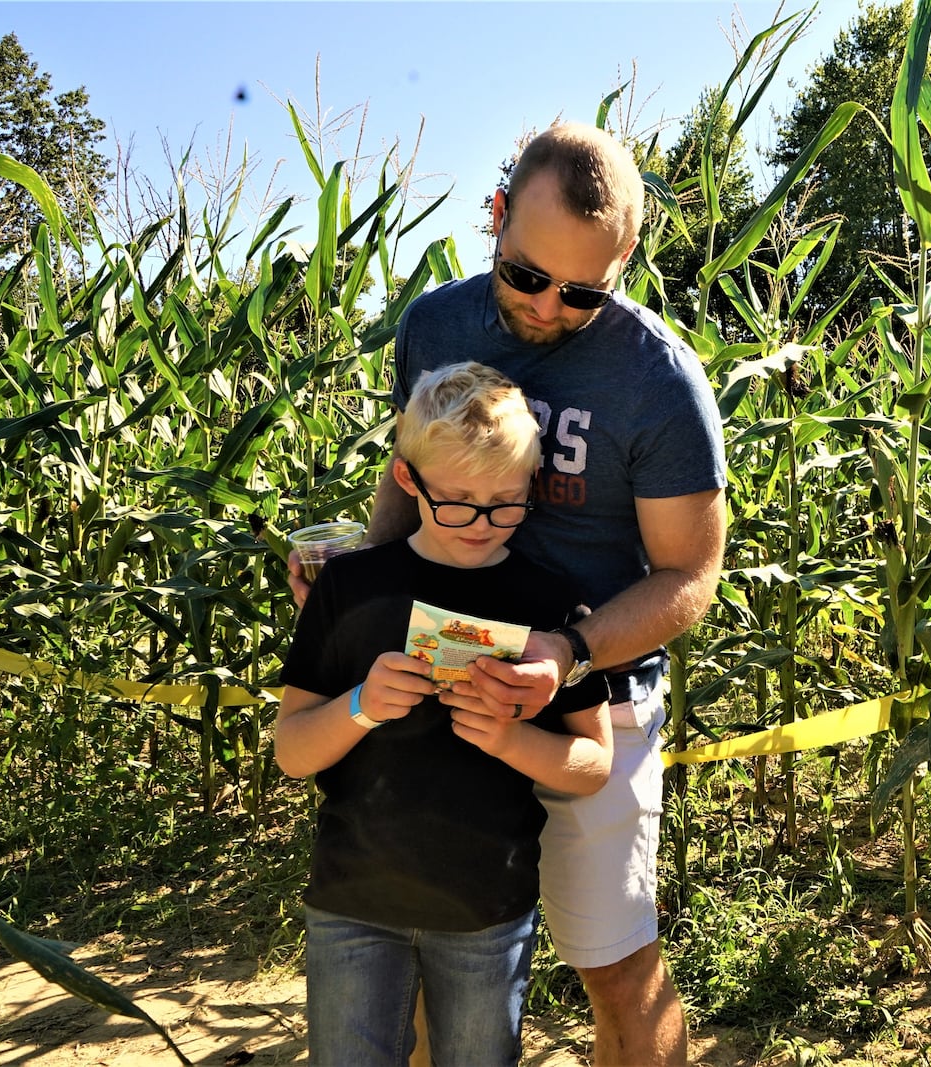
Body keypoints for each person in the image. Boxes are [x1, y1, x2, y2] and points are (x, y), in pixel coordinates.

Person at [292, 121, 727, 1065]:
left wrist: (565, 651)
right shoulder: (433, 325)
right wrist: (356, 583)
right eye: (526, 275)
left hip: (582, 701)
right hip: (435, 682)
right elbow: (408, 478)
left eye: (582, 292)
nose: (547, 306)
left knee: (613, 965)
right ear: (495, 217)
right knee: (424, 935)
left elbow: (692, 573)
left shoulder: (657, 382)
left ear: (624, 261)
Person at [276, 361, 613, 1066]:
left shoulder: (550, 605)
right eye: (457, 501)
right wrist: (362, 705)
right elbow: (293, 750)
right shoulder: (350, 586)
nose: (481, 524)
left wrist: (511, 737)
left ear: (531, 488)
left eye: (505, 502)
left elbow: (593, 763)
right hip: (352, 903)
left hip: (487, 912)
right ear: (408, 480)